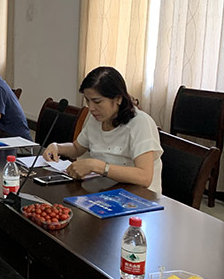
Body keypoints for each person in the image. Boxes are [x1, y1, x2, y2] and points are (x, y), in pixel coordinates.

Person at [43, 66, 163, 194]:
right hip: (105, 191)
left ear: (118, 98)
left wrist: (98, 166)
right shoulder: (97, 119)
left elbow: (144, 177)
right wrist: (56, 147)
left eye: (97, 102)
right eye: (88, 101)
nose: (91, 108)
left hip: (137, 197)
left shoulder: (140, 123)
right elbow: (77, 148)